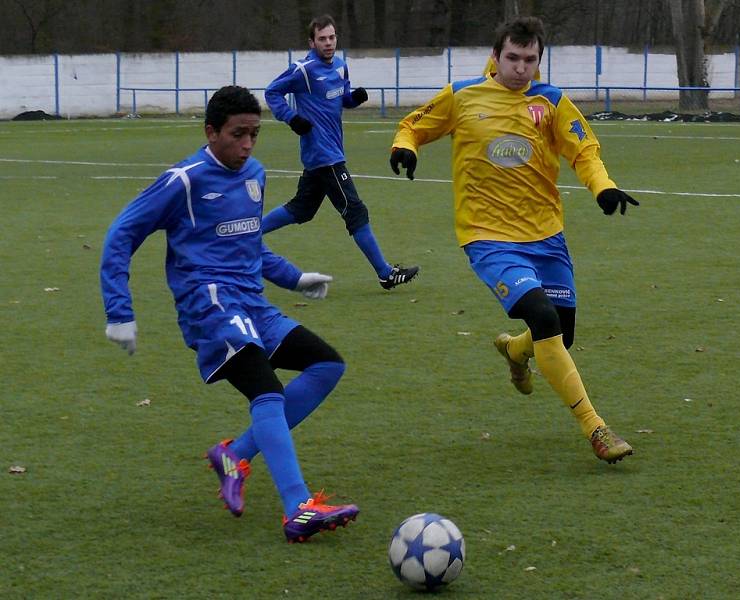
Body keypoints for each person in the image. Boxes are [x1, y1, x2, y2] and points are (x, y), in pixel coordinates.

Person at [100, 85, 359, 543]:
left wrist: (296, 278)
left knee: (327, 365)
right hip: (209, 306)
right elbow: (121, 233)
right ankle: (298, 507)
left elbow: (249, 245)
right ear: (211, 131)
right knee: (268, 391)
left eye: (255, 134)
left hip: (252, 304)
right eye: (238, 134)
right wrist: (119, 310)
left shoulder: (254, 173)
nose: (247, 145)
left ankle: (233, 454)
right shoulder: (184, 180)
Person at [389, 17, 639, 464]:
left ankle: (513, 349)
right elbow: (413, 124)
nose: (521, 67)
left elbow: (584, 150)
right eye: (513, 58)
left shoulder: (552, 102)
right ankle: (595, 427)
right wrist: (405, 144)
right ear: (496, 55)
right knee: (543, 317)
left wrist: (602, 187)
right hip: (488, 239)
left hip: (546, 236)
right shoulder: (462, 96)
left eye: (530, 59)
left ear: (538, 59)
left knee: (562, 334)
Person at [263, 14, 419, 291]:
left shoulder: (341, 66)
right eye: (322, 38)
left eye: (332, 37)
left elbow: (340, 98)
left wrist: (353, 99)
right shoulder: (303, 69)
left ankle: (246, 235)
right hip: (324, 155)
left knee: (301, 209)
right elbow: (272, 92)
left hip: (329, 152)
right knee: (355, 211)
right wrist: (291, 117)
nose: (328, 43)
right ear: (311, 42)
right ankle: (385, 273)